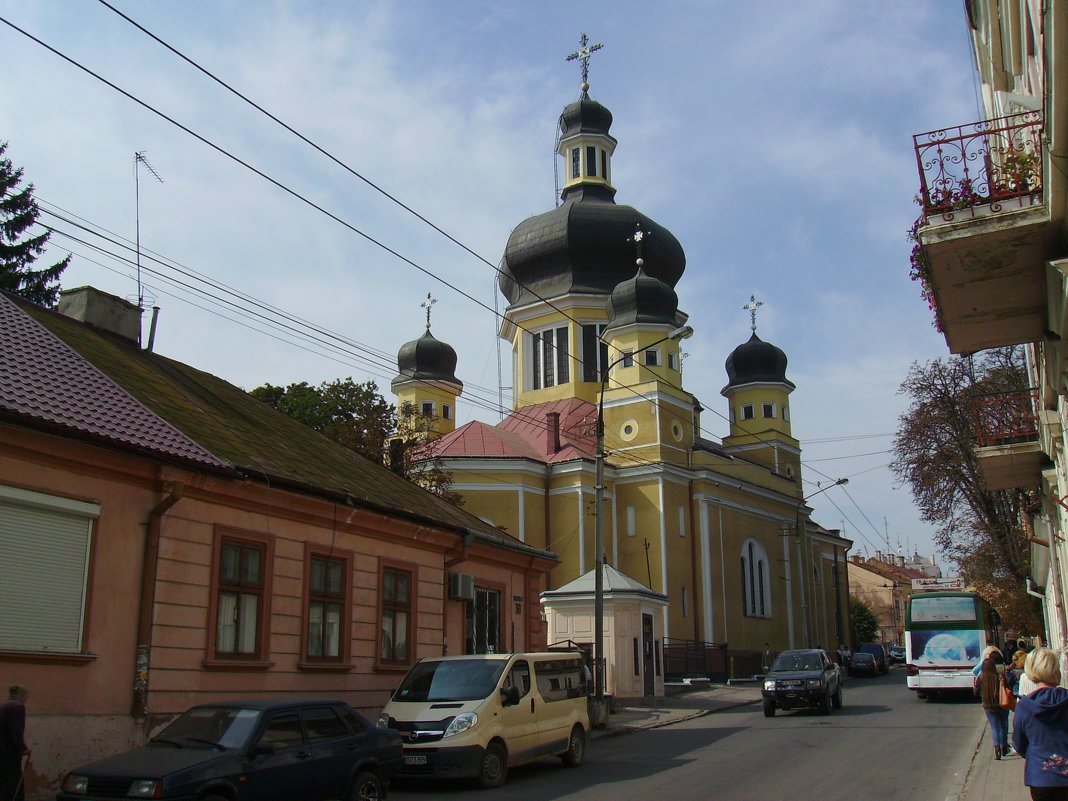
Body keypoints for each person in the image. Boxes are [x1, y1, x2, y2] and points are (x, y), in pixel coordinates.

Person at [1013, 647, 1068, 800]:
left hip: (1040, 777)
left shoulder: (1025, 705)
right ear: (1056, 670)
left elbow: (1019, 743)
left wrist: (1036, 756)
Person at [978, 647, 1010, 759]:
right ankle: (1004, 747)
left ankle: (996, 749)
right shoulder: (999, 676)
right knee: (1004, 726)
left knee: (995, 727)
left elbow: (976, 691)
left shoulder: (982, 678)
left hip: (988, 705)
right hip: (1001, 703)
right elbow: (1009, 685)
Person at [0, 684, 30, 801]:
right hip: (10, 754)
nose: (26, 699)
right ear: (22, 695)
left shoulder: (3, 706)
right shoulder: (18, 707)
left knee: (3, 786)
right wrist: (23, 749)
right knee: (15, 786)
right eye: (26, 696)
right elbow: (15, 731)